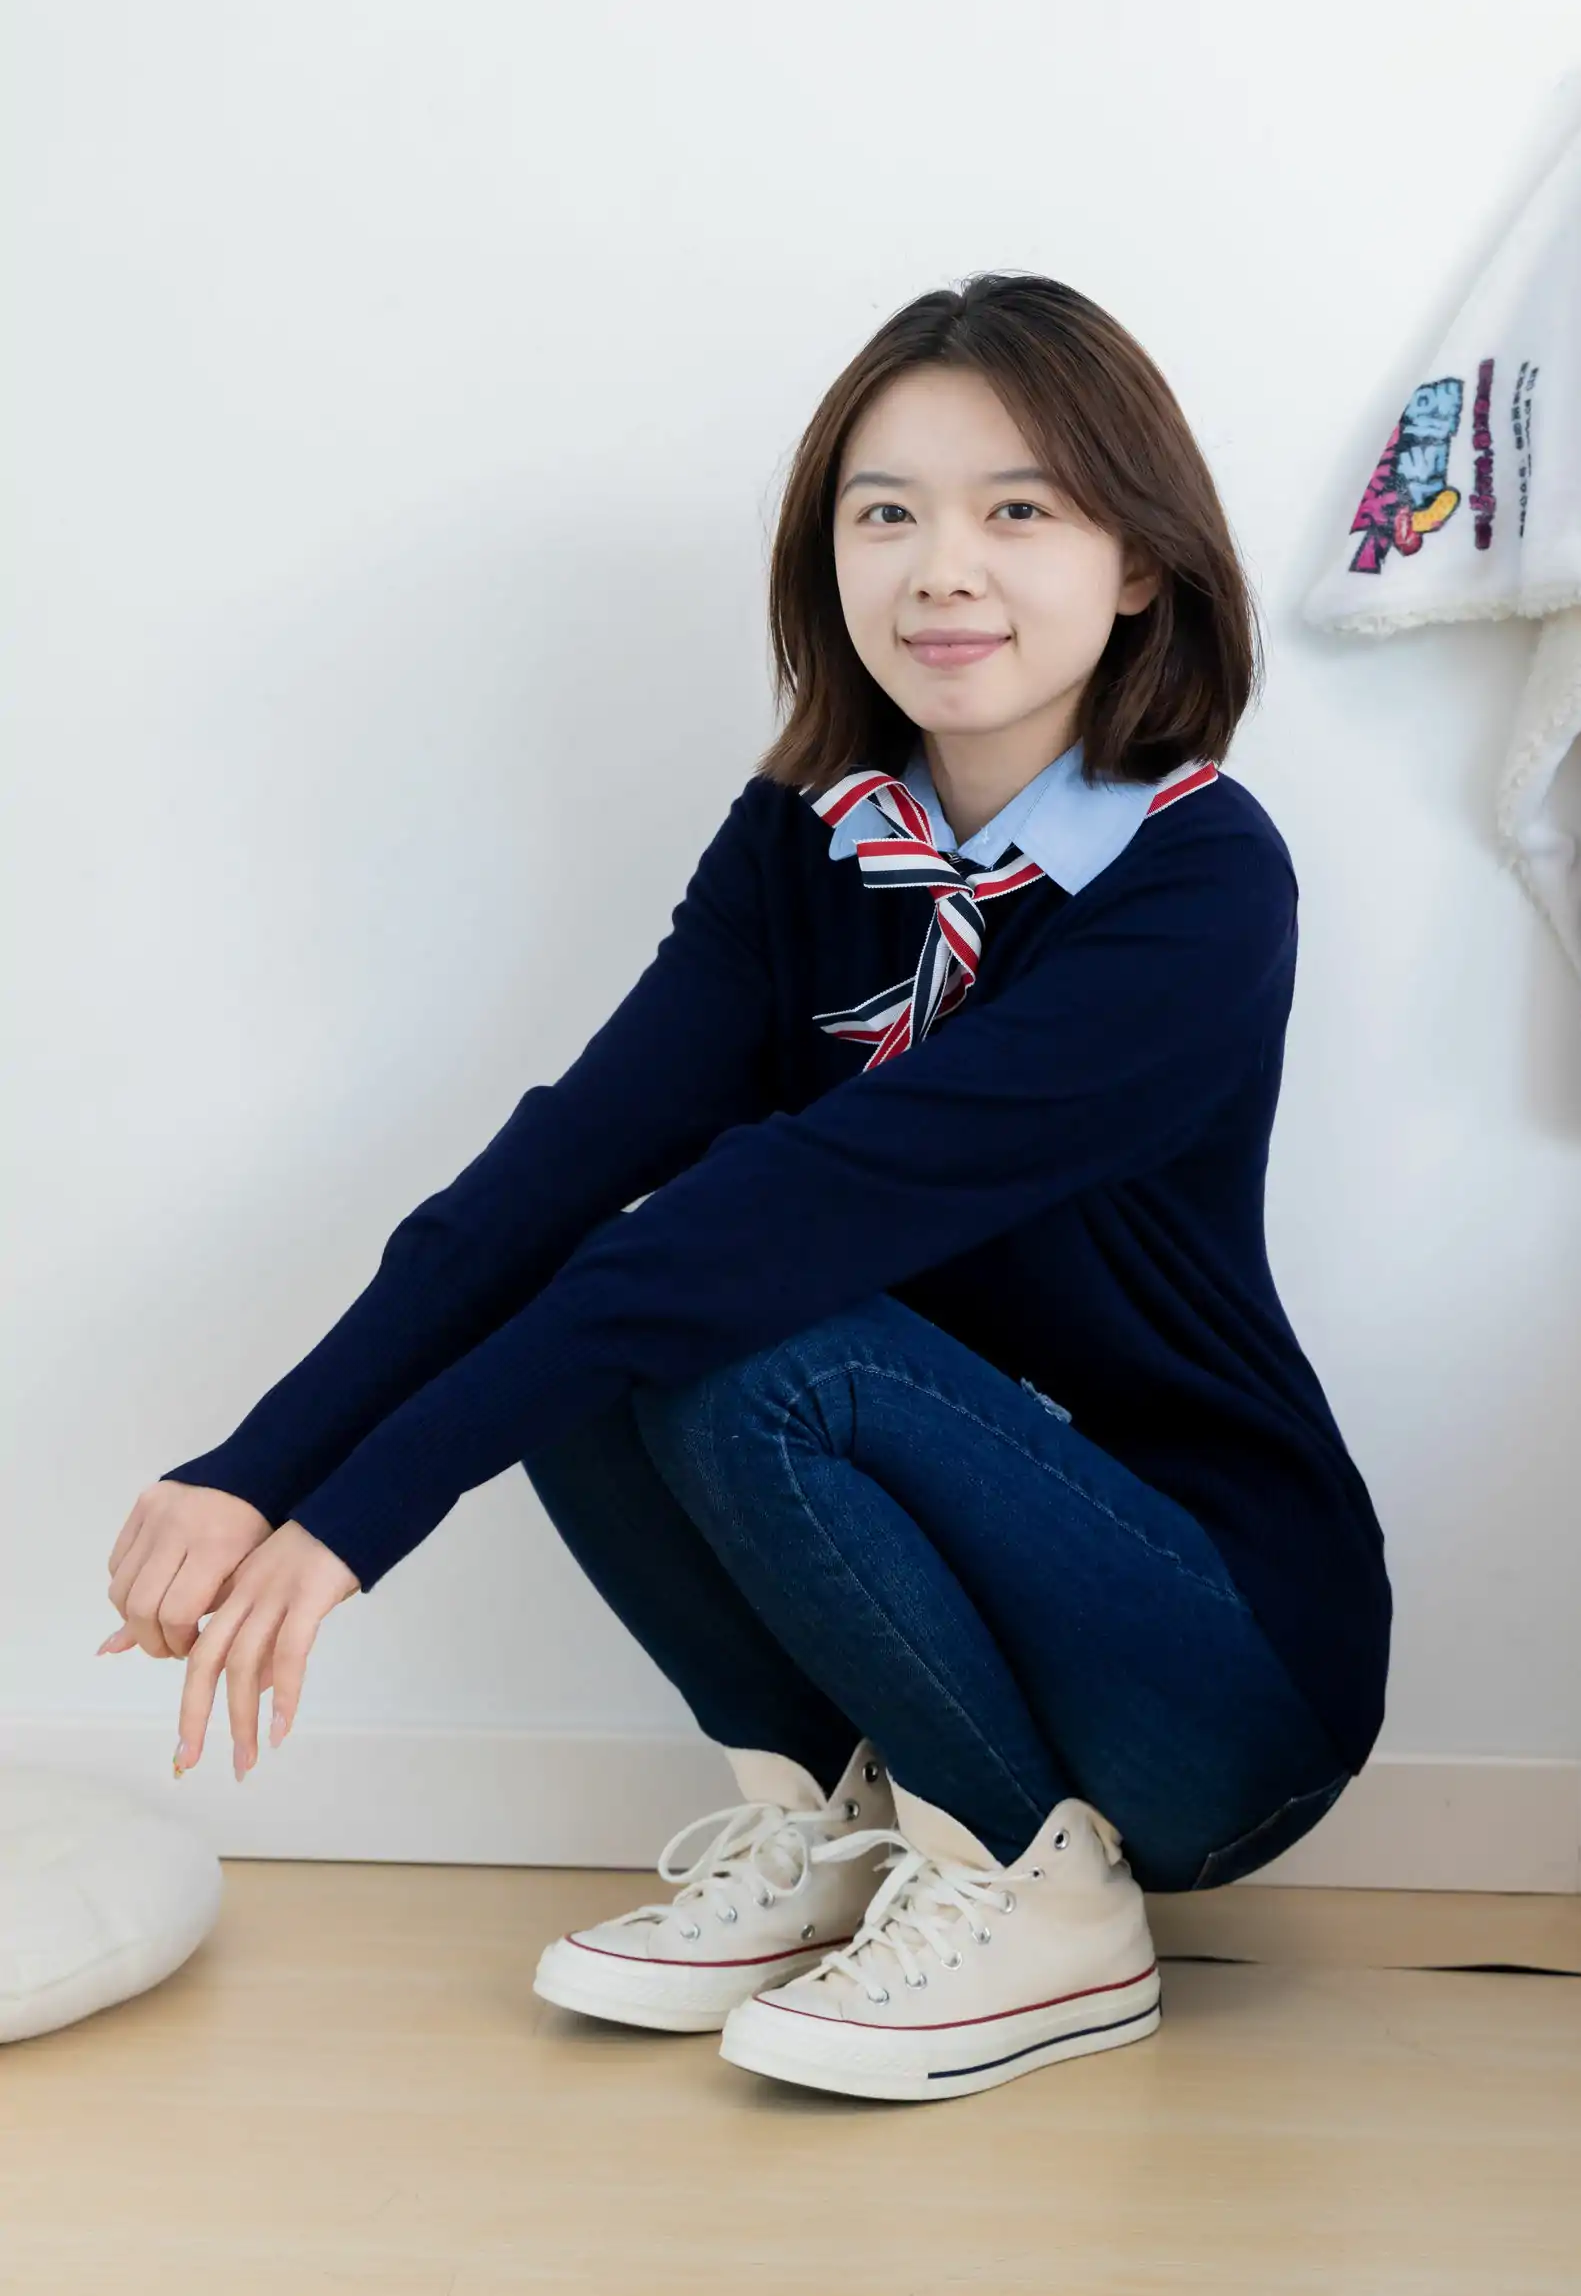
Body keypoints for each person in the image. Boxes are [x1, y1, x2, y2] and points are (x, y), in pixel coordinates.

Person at [102, 271, 1391, 2104]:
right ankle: (848, 1829)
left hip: (1219, 1658)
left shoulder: (1199, 882)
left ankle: (1043, 1903)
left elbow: (780, 1214)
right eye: (889, 514)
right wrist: (256, 1467)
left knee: (744, 1334)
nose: (942, 569)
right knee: (589, 1295)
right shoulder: (809, 840)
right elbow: (553, 1174)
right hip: (977, 1605)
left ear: (1137, 565)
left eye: (1019, 510)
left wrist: (357, 1519)